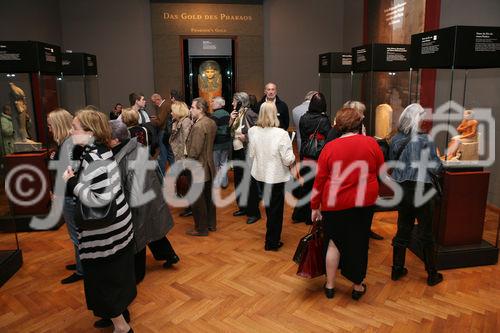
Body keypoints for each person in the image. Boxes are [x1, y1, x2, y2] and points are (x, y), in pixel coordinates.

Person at [63, 109, 135, 333]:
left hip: (106, 234)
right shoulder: (98, 150)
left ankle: (122, 327)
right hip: (117, 228)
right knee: (116, 278)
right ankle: (116, 313)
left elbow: (99, 200)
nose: (71, 131)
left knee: (104, 282)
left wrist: (72, 182)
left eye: (75, 127)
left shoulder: (95, 157)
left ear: (90, 132)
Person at [311, 107, 384, 300]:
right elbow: (381, 169)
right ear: (359, 124)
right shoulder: (371, 143)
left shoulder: (330, 147)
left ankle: (330, 286)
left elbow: (319, 180)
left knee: (333, 243)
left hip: (334, 203)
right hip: (364, 202)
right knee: (358, 243)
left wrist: (314, 206)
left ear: (339, 125)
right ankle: (358, 286)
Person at [109, 120, 178, 284]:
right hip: (149, 198)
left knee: (138, 236)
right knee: (152, 229)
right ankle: (169, 255)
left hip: (140, 202)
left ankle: (137, 275)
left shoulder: (129, 155)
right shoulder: (134, 148)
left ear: (115, 139)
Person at [389, 103, 444, 287]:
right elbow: (437, 168)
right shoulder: (426, 140)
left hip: (403, 190)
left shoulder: (396, 139)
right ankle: (432, 274)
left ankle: (397, 270)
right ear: (417, 119)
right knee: (426, 232)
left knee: (403, 228)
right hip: (423, 190)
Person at [325, 100, 385, 241]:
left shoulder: (360, 129)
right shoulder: (336, 132)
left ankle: (364, 232)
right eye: (361, 113)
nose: (364, 116)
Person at [246, 101, 295, 250]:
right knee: (276, 210)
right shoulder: (281, 134)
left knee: (269, 207)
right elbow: (288, 159)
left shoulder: (252, 131)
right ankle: (272, 242)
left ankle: (271, 237)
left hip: (260, 174)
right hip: (276, 177)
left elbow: (252, 153)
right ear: (275, 114)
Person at [47, 109, 84, 284]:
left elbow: (70, 171)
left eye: (50, 125)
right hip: (69, 193)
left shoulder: (69, 143)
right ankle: (80, 263)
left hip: (70, 195)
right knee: (76, 233)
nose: (49, 129)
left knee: (76, 234)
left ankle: (81, 270)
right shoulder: (67, 142)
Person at [293, 92, 331, 224]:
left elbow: (303, 137)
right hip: (318, 158)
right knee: (318, 188)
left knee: (306, 187)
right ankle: (312, 217)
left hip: (305, 156)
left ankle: (299, 215)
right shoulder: (324, 120)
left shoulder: (303, 118)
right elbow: (328, 140)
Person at [185, 97, 217, 236]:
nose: (190, 109)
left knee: (198, 200)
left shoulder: (198, 126)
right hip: (209, 165)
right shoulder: (210, 122)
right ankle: (211, 224)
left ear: (200, 109)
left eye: (192, 107)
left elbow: (194, 151)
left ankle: (201, 229)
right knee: (208, 198)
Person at [229, 92, 258, 217]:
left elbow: (259, 131)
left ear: (241, 102)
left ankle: (253, 212)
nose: (232, 103)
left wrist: (245, 137)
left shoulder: (250, 113)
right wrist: (231, 119)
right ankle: (242, 207)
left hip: (246, 151)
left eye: (234, 101)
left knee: (248, 181)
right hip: (236, 151)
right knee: (238, 179)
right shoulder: (236, 114)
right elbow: (228, 132)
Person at [169, 101, 193, 216]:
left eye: (172, 110)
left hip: (184, 159)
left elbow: (186, 143)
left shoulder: (185, 122)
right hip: (178, 156)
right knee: (183, 183)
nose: (171, 113)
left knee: (187, 183)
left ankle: (191, 207)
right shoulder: (177, 122)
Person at [210, 96, 231, 189]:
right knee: (224, 163)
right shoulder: (227, 113)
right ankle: (224, 183)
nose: (211, 103)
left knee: (216, 164)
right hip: (226, 142)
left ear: (219, 104)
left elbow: (212, 131)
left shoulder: (214, 116)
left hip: (217, 144)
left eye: (213, 102)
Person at [150, 92, 173, 173]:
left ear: (158, 100)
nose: (154, 104)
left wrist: (150, 121)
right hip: (167, 132)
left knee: (163, 155)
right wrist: (157, 118)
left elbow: (160, 122)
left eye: (153, 102)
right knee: (170, 154)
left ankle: (162, 176)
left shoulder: (163, 106)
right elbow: (163, 118)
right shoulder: (166, 104)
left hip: (163, 132)